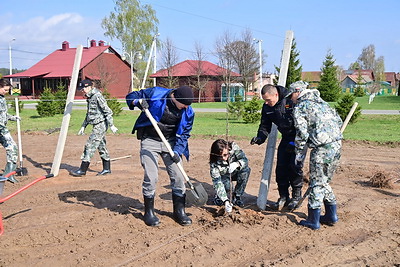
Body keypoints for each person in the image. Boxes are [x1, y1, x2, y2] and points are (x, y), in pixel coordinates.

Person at [126, 85, 195, 227]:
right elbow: (131, 96)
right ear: (175, 97)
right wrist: (137, 102)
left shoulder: (188, 112)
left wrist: (177, 151)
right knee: (151, 177)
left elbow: (184, 135)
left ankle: (179, 211)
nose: (186, 108)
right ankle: (149, 212)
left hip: (171, 143)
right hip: (150, 140)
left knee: (178, 176)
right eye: (184, 105)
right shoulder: (156, 94)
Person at [287, 80, 343, 230]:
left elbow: (302, 133)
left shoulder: (300, 107)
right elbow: (338, 121)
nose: (291, 98)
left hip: (322, 149)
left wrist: (298, 154)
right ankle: (331, 215)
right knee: (324, 181)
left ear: (297, 92)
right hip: (336, 145)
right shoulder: (323, 103)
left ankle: (313, 219)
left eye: (291, 95)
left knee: (316, 183)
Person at [250, 84, 303, 211]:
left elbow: (302, 125)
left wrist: (295, 143)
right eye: (265, 100)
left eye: (268, 100)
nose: (267, 103)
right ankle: (284, 197)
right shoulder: (267, 108)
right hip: (286, 138)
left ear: (276, 95)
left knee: (294, 167)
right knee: (281, 168)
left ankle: (296, 197)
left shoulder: (290, 100)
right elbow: (264, 125)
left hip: (298, 138)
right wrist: (260, 138)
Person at [70, 79, 118, 177]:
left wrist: (112, 125)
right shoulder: (90, 97)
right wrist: (83, 126)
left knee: (90, 145)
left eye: (83, 88)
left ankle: (83, 169)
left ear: (88, 87)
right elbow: (89, 114)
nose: (82, 91)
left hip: (100, 124)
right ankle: (107, 168)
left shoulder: (97, 96)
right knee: (101, 146)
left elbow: (107, 111)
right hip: (95, 124)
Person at [209, 139, 251, 213]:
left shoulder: (234, 147)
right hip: (224, 176)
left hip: (235, 171)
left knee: (245, 170)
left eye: (225, 155)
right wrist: (225, 200)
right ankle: (219, 197)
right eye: (220, 157)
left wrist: (237, 164)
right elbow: (217, 182)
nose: (224, 158)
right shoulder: (214, 164)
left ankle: (237, 196)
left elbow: (245, 160)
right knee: (227, 186)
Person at [0, 79, 20, 183]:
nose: (6, 92)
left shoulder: (2, 98)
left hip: (2, 129)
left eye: (7, 90)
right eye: (5, 90)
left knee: (12, 148)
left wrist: (13, 117)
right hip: (1, 129)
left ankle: (8, 174)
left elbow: (3, 114)